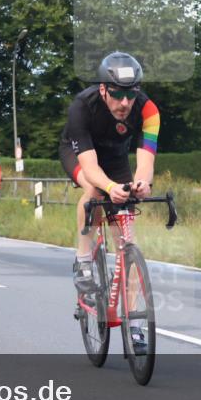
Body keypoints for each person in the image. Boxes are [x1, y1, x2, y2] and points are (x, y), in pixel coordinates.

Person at [59, 52, 159, 349]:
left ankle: (136, 323)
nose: (124, 103)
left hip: (115, 160)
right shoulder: (82, 107)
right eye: (116, 95)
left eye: (131, 95)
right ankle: (83, 260)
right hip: (81, 155)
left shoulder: (149, 110)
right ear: (103, 89)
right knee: (94, 192)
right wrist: (110, 187)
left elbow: (146, 160)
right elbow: (90, 169)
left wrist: (141, 183)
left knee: (128, 241)